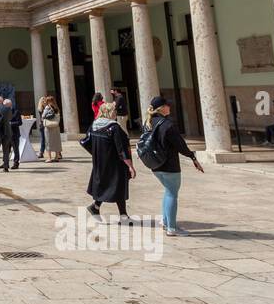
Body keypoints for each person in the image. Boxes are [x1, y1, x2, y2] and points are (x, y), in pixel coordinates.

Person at [142, 95, 204, 236]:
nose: (169, 107)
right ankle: (172, 228)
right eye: (167, 105)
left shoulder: (148, 123)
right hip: (169, 165)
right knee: (172, 194)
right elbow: (181, 145)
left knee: (168, 191)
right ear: (162, 108)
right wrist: (192, 157)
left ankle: (165, 221)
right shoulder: (167, 125)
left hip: (155, 164)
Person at [81, 101, 134, 223]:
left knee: (107, 186)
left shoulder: (95, 125)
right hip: (114, 164)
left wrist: (96, 153)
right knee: (118, 187)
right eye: (114, 111)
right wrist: (130, 165)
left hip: (100, 163)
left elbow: (85, 141)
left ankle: (96, 207)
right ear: (109, 112)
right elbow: (121, 148)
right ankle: (123, 216)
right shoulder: (113, 127)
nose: (116, 113)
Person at [41, 95, 62, 162]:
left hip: (48, 127)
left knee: (48, 142)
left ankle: (49, 158)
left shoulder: (47, 107)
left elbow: (43, 116)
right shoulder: (57, 108)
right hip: (56, 127)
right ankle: (56, 157)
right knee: (56, 141)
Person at [8, 100, 24, 168]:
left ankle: (16, 163)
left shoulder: (16, 111)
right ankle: (5, 163)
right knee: (6, 149)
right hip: (7, 134)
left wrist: (11, 124)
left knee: (15, 149)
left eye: (6, 105)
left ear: (9, 105)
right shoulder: (4, 112)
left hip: (14, 133)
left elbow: (20, 122)